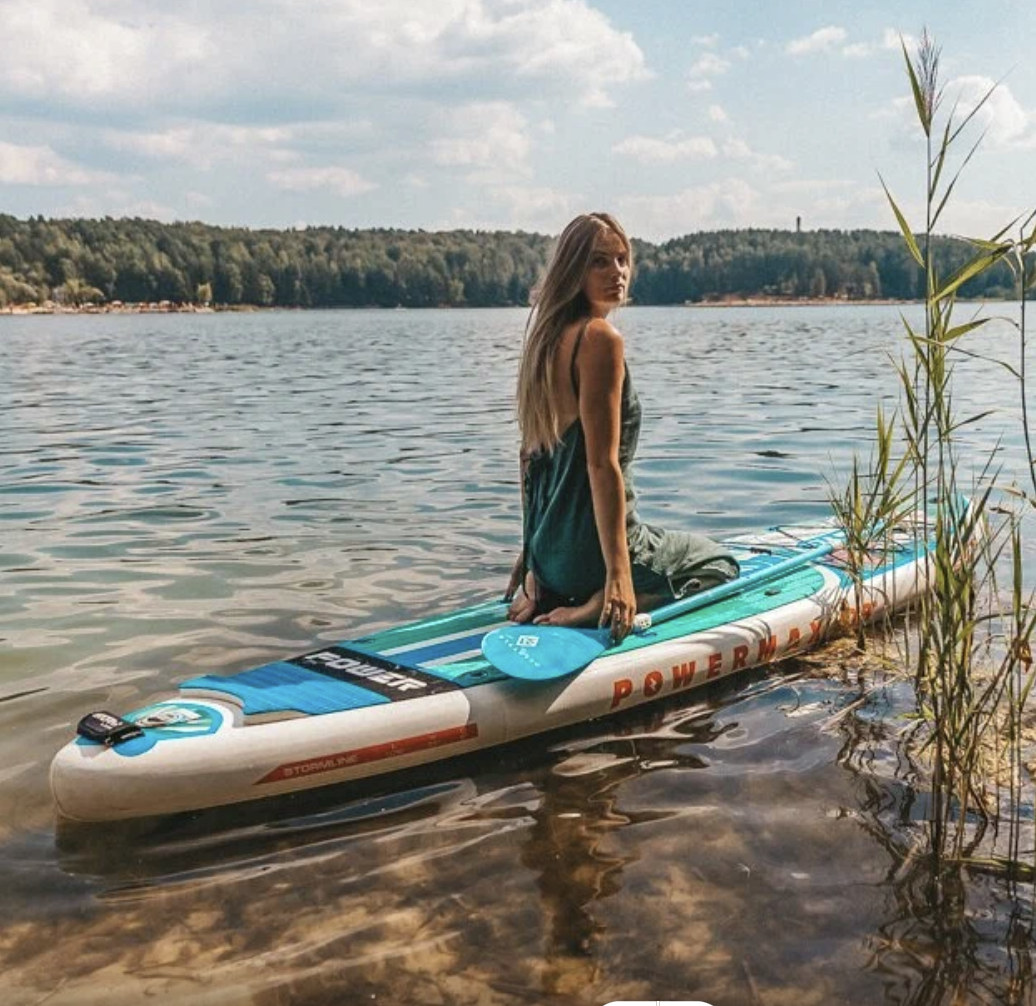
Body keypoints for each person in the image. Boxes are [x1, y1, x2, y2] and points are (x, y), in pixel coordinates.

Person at [505, 212, 738, 643]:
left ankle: (565, 590)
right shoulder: (599, 339)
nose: (618, 273)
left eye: (622, 259)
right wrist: (619, 574)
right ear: (573, 270)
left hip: (552, 558)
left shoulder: (543, 340)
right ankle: (599, 602)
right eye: (599, 261)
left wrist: (532, 559)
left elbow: (529, 460)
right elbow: (602, 466)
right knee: (720, 565)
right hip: (588, 558)